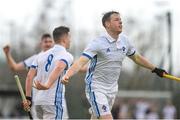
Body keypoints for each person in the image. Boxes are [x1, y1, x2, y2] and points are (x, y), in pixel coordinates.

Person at [61, 11, 167, 119]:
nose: (120, 22)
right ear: (107, 24)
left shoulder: (125, 41)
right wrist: (67, 75)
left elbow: (137, 58)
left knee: (97, 117)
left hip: (112, 89)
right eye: (116, 20)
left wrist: (155, 69)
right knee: (107, 117)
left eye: (121, 20)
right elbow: (80, 62)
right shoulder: (97, 43)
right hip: (96, 88)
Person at [23, 26, 73, 119]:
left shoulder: (40, 56)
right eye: (69, 38)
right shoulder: (67, 55)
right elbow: (59, 66)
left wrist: (28, 98)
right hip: (52, 102)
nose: (70, 40)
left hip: (38, 103)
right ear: (64, 39)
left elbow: (30, 76)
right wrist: (47, 85)